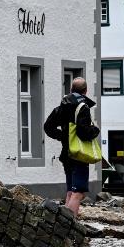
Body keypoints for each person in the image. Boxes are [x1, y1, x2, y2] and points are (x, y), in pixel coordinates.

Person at [43, 77, 99, 216]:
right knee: (78, 192)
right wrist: (95, 130)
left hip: (66, 154)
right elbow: (83, 132)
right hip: (79, 154)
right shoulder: (83, 107)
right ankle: (70, 225)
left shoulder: (62, 106)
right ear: (86, 91)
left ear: (71, 90)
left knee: (70, 191)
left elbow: (48, 127)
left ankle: (62, 223)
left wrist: (62, 136)